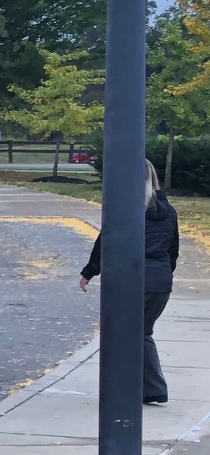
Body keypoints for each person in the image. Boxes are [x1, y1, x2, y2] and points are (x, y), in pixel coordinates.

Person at [80, 158, 182, 405]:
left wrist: (89, 272)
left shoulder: (125, 209)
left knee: (122, 333)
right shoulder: (168, 211)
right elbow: (173, 250)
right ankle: (149, 387)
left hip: (133, 279)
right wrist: (163, 276)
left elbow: (106, 243)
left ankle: (131, 387)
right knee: (142, 333)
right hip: (159, 282)